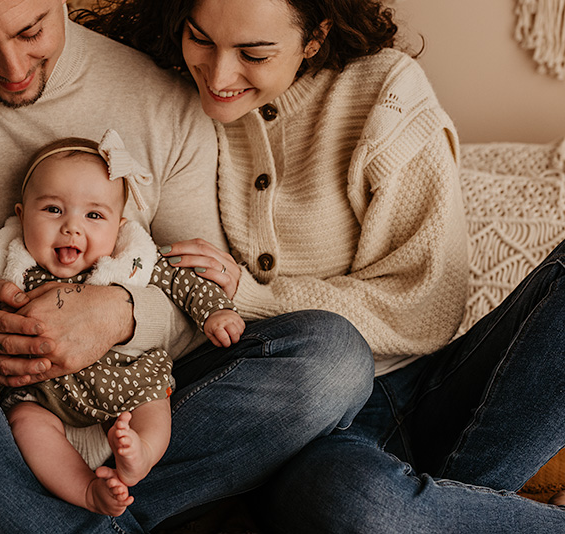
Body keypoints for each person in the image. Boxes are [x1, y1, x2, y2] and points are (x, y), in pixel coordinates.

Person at [0, 0, 374, 532]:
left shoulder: (162, 97)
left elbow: (195, 286)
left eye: (32, 31)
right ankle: (73, 515)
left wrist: (120, 314)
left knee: (332, 357)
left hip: (139, 398)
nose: (15, 67)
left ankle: (45, 518)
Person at [77, 0, 565, 531]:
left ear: (315, 36)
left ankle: (439, 511)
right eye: (200, 38)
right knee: (360, 506)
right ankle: (450, 511)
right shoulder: (163, 97)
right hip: (308, 431)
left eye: (254, 53)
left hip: (429, 386)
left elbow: (424, 306)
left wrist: (253, 294)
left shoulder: (387, 94)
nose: (218, 75)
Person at [0, 129, 245, 517]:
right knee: (26, 424)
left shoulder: (131, 260)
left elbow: (182, 281)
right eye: (53, 210)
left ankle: (139, 454)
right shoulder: (2, 261)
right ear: (21, 215)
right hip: (41, 391)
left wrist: (216, 311)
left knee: (153, 402)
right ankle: (85, 490)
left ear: (119, 226)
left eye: (94, 215)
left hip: (125, 377)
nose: (72, 227)